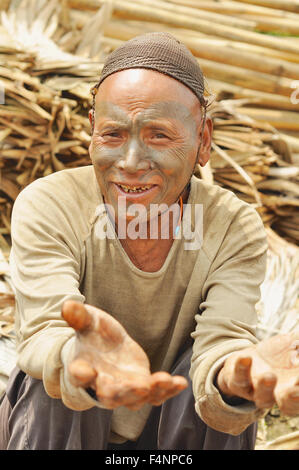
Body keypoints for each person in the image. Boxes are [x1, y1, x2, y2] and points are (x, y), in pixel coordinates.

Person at [0, 32, 298, 451]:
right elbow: (44, 332)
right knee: (62, 369)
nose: (131, 162)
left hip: (168, 435)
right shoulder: (50, 205)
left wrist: (233, 378)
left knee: (204, 377)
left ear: (204, 140)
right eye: (113, 135)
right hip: (66, 427)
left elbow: (221, 342)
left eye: (159, 135)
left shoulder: (232, 226)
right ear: (91, 133)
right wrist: (79, 359)